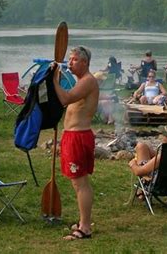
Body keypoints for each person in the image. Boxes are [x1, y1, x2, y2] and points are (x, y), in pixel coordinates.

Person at [52, 46, 99, 240]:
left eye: (74, 59)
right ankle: (83, 220)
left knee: (80, 184)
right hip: (73, 136)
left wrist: (54, 79)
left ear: (85, 62)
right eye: (69, 59)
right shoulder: (81, 81)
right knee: (77, 182)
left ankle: (85, 228)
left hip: (78, 136)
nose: (69, 63)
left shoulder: (88, 81)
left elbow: (65, 98)